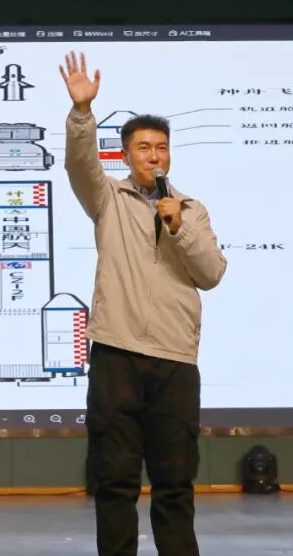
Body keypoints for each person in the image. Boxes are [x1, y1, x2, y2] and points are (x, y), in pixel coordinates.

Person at [59, 51, 227, 556]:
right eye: (144, 148)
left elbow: (211, 274)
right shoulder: (108, 199)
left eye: (161, 148)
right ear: (126, 155)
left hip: (175, 359)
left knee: (175, 483)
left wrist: (178, 227)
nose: (154, 156)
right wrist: (82, 112)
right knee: (114, 482)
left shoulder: (192, 210)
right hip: (117, 353)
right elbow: (78, 164)